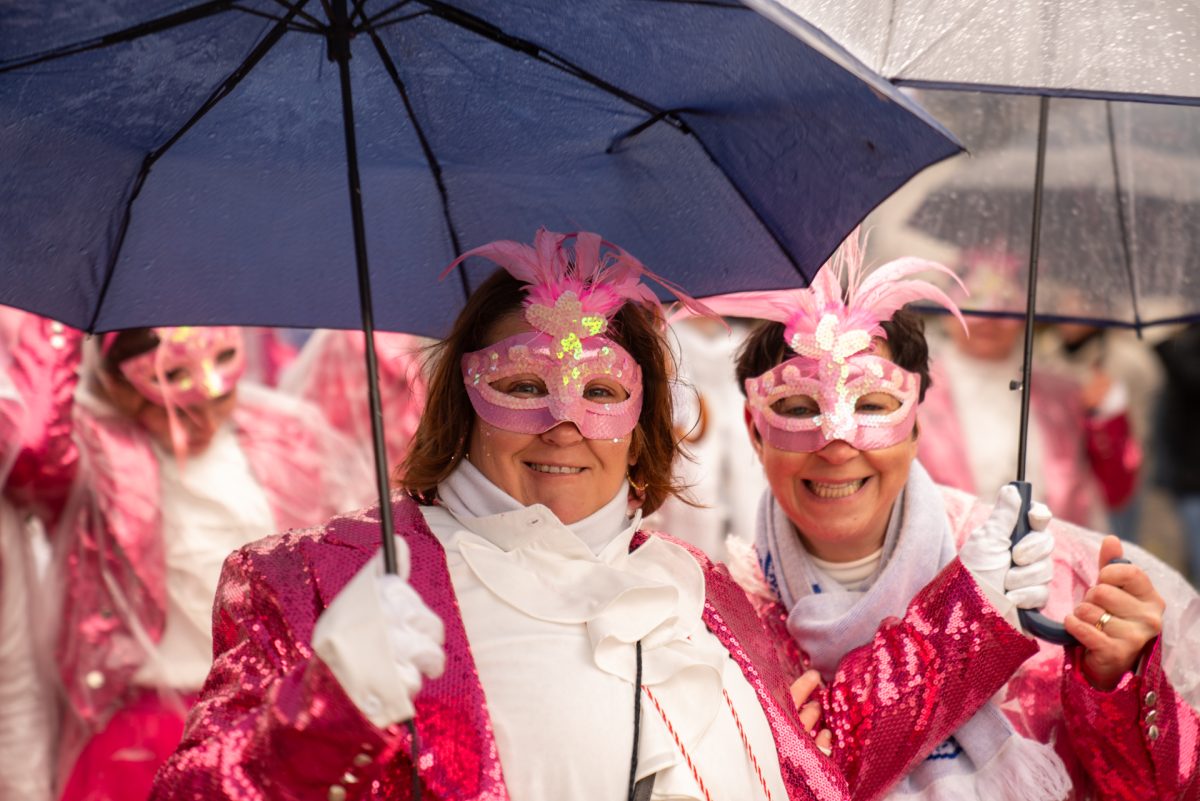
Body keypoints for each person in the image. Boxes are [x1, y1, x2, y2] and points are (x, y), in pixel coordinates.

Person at [151, 229, 1049, 801]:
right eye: (521, 385)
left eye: (601, 390)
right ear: (461, 402)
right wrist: (329, 713)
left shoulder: (704, 591)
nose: (563, 422)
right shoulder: (315, 582)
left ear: (645, 418)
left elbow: (830, 758)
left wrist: (974, 603)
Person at [721, 236, 1200, 800]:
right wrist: (966, 616)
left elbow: (1159, 789)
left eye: (873, 405)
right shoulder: (727, 621)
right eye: (799, 409)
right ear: (755, 430)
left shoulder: (1065, 586)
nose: (837, 441)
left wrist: (1114, 683)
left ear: (917, 422)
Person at [3, 318, 373, 801]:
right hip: (138, 738)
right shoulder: (95, 452)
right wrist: (63, 312)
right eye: (175, 409)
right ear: (118, 387)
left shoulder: (287, 438)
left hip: (265, 724)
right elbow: (28, 442)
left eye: (219, 399)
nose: (203, 422)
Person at [917, 248, 1139, 531]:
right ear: (948, 308)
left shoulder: (1064, 393)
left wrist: (1109, 416)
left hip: (1055, 558)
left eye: (1006, 302)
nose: (989, 318)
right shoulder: (914, 392)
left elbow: (1117, 492)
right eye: (974, 300)